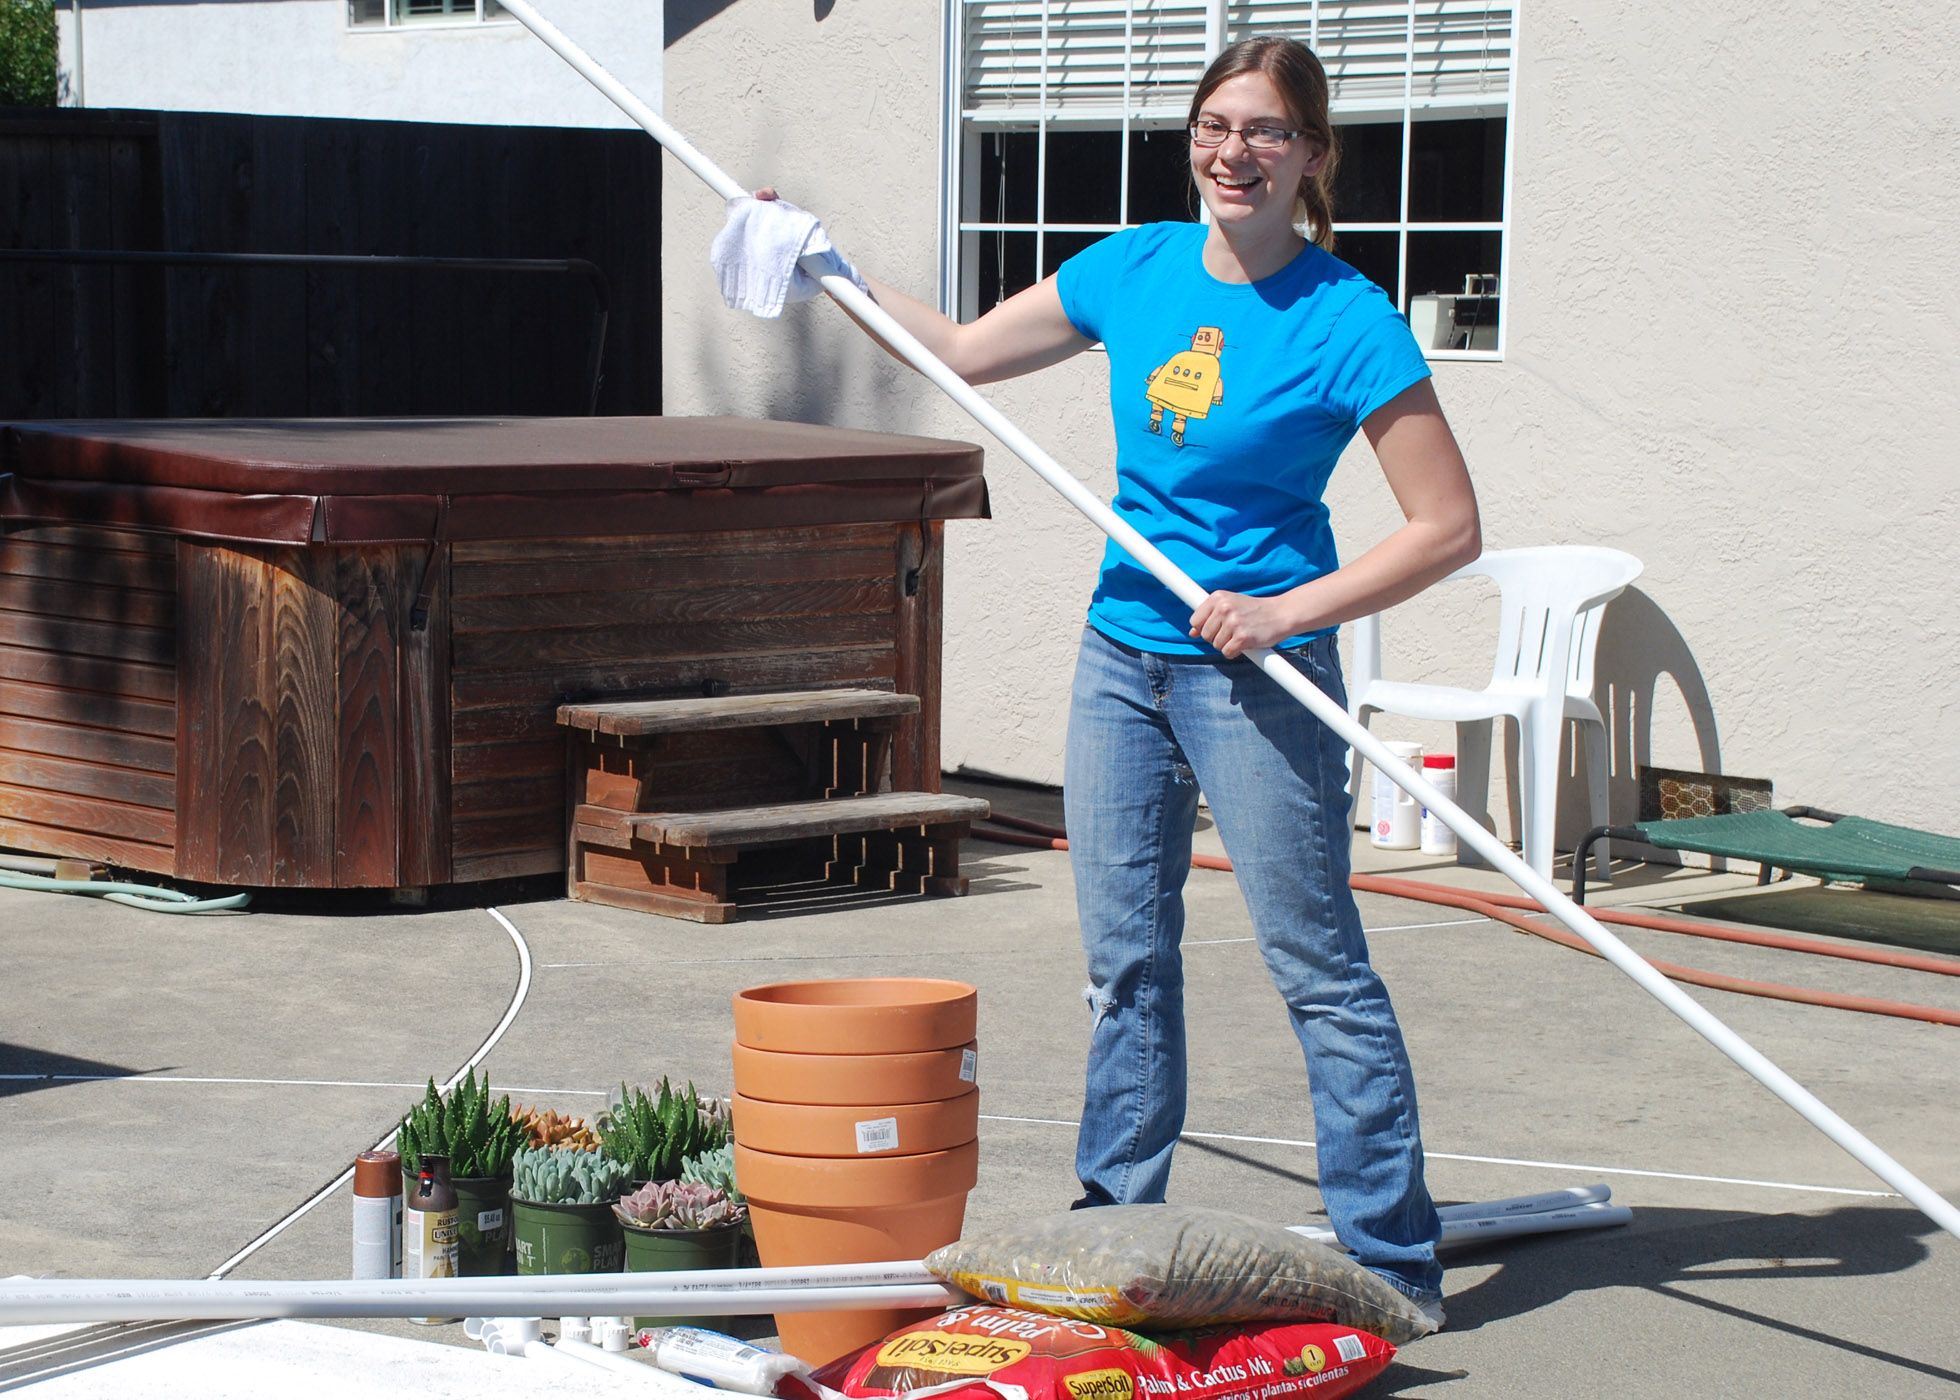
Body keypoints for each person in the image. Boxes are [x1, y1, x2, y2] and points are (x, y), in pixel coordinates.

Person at [752, 34, 1479, 1321]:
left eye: (1265, 131)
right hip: (1121, 657)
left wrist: (1283, 610)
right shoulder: (1134, 267)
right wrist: (825, 265)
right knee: (1126, 962)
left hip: (1257, 674)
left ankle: (1392, 1257)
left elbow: (1445, 526)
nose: (1233, 152)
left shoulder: (1346, 318)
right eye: (1214, 126)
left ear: (1311, 155)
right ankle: (1111, 1229)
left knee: (1316, 965)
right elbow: (961, 351)